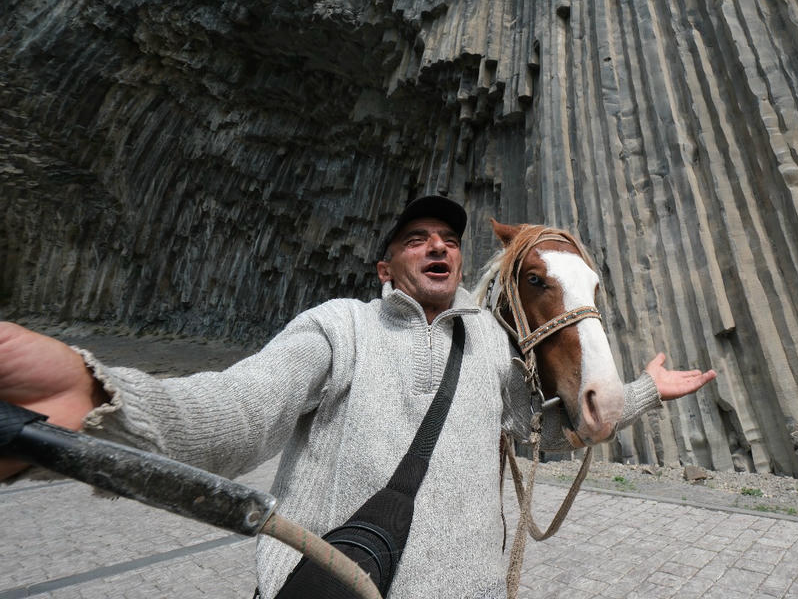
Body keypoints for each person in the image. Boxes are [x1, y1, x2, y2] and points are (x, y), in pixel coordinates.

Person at [0, 195, 716, 598]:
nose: (437, 246)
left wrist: (645, 390)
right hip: (336, 589)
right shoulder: (338, 326)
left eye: (448, 239)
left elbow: (545, 434)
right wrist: (99, 394)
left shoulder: (494, 350)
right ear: (386, 266)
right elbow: (241, 410)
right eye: (415, 238)